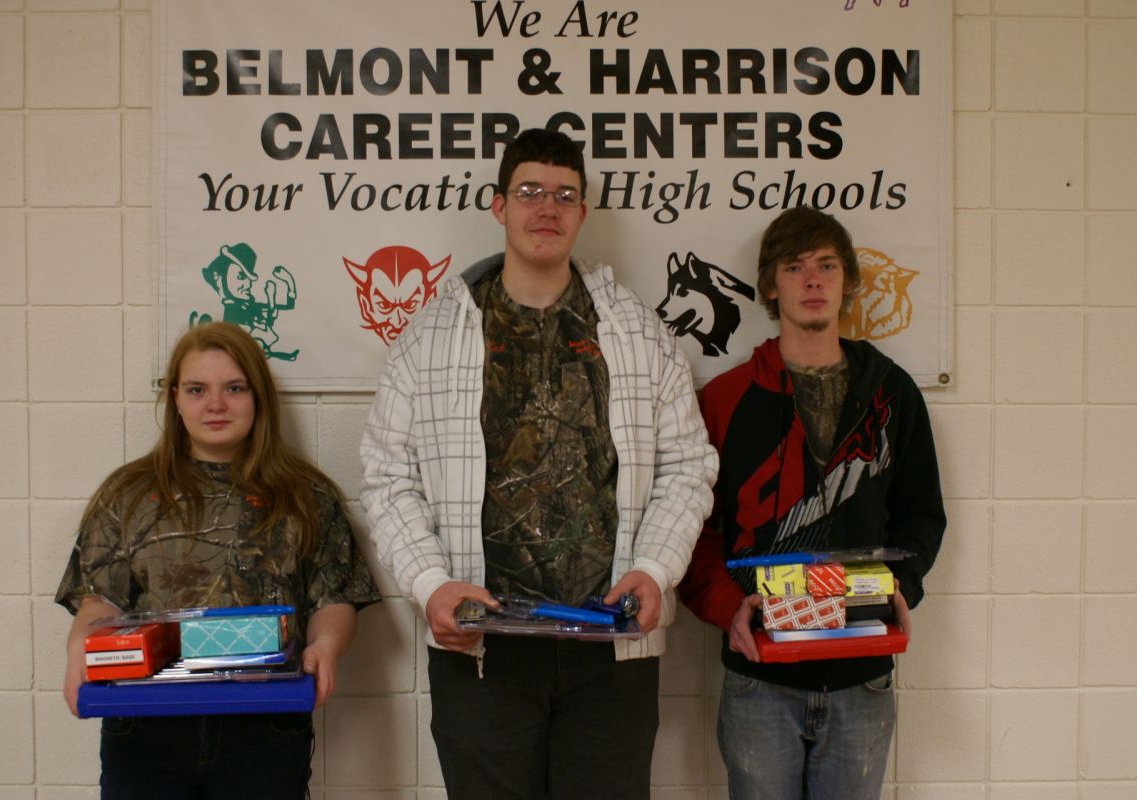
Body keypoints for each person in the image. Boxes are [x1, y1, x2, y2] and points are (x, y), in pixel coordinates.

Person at [360, 128, 718, 799]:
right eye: (529, 192)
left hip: (611, 645)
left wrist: (654, 569)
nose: (546, 207)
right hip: (482, 649)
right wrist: (430, 584)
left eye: (564, 195)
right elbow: (386, 476)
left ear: (583, 212)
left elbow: (688, 465)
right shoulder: (431, 338)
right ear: (499, 205)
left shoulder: (639, 334)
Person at [678, 206, 945, 800]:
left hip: (862, 673)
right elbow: (691, 530)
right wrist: (730, 610)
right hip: (760, 677)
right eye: (794, 267)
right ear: (770, 285)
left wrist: (900, 589)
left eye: (827, 265)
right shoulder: (725, 398)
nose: (813, 280)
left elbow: (922, 514)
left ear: (849, 281)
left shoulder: (892, 393)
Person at [56, 321, 380, 799]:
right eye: (197, 389)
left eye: (234, 388)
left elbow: (335, 599)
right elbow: (100, 603)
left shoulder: (307, 497)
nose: (215, 404)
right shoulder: (127, 496)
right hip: (146, 727)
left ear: (259, 397)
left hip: (263, 727)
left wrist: (326, 647)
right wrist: (77, 653)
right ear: (175, 399)